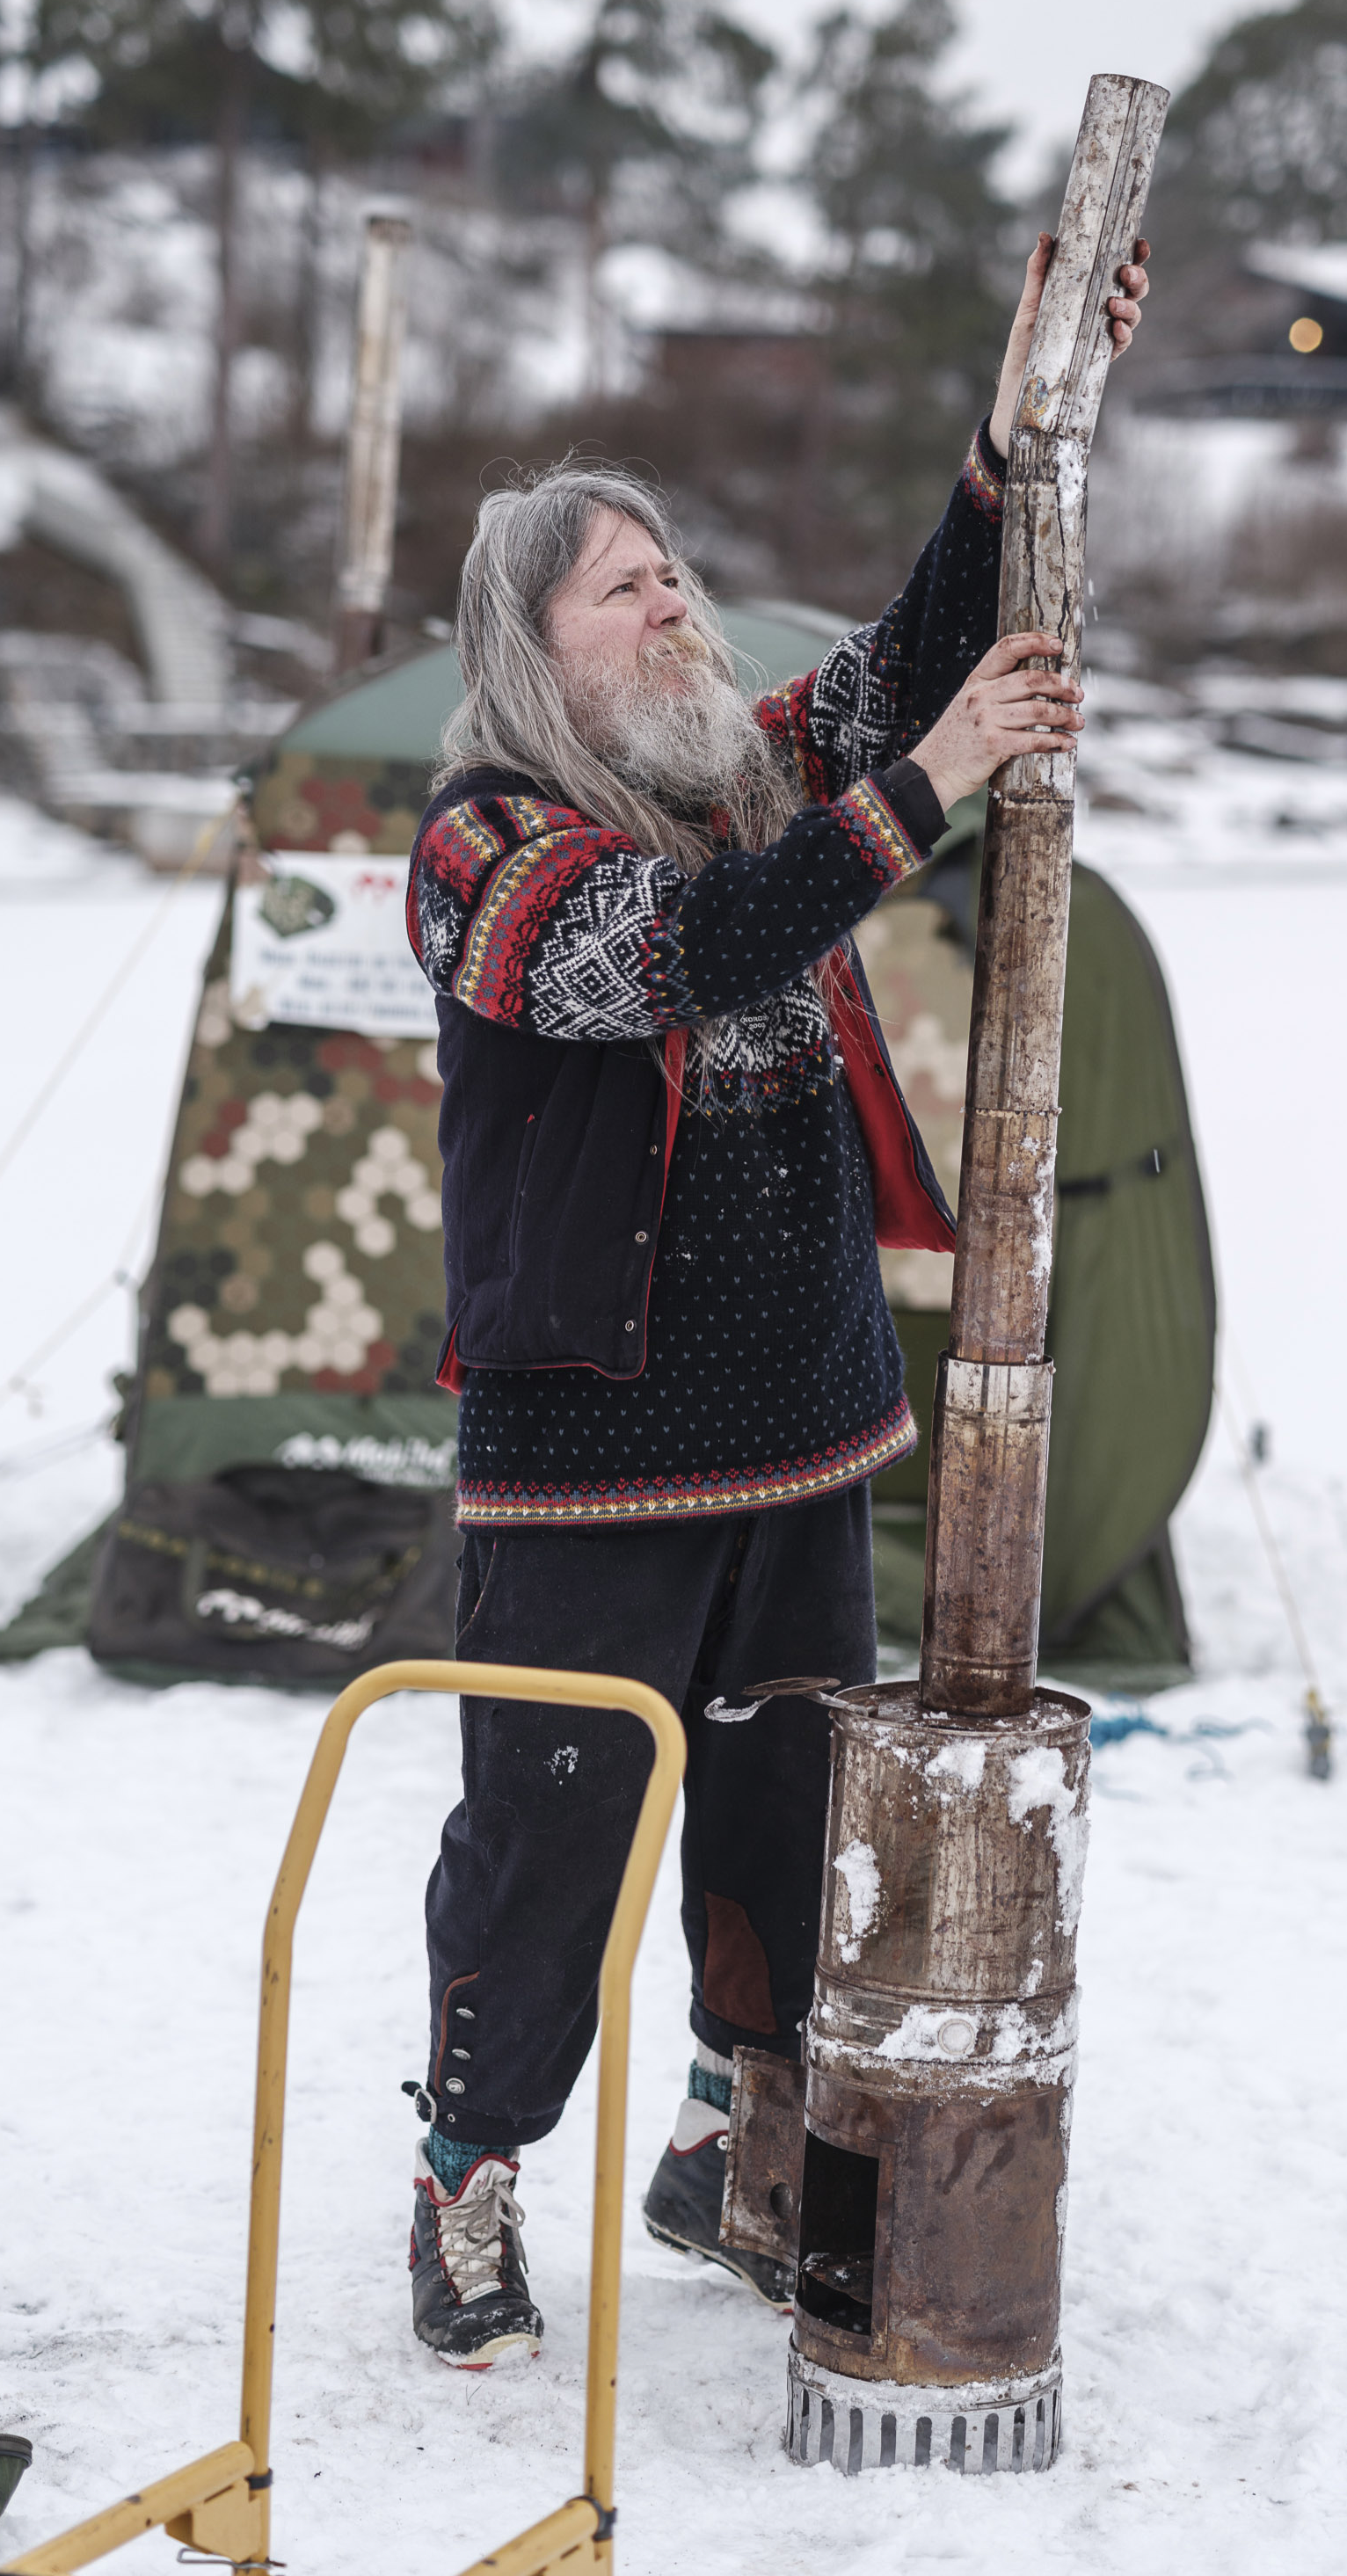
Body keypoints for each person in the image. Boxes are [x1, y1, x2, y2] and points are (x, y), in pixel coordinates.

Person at [397, 236, 1147, 2369]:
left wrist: (1011, 433)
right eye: (622, 586)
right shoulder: (479, 844)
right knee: (538, 1862)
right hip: (586, 1470)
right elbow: (678, 947)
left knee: (776, 1845)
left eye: (668, 572)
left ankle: (725, 2155)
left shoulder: (737, 760)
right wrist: (927, 791)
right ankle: (465, 2178)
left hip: (804, 1428)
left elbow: (914, 654)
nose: (673, 606)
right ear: (531, 645)